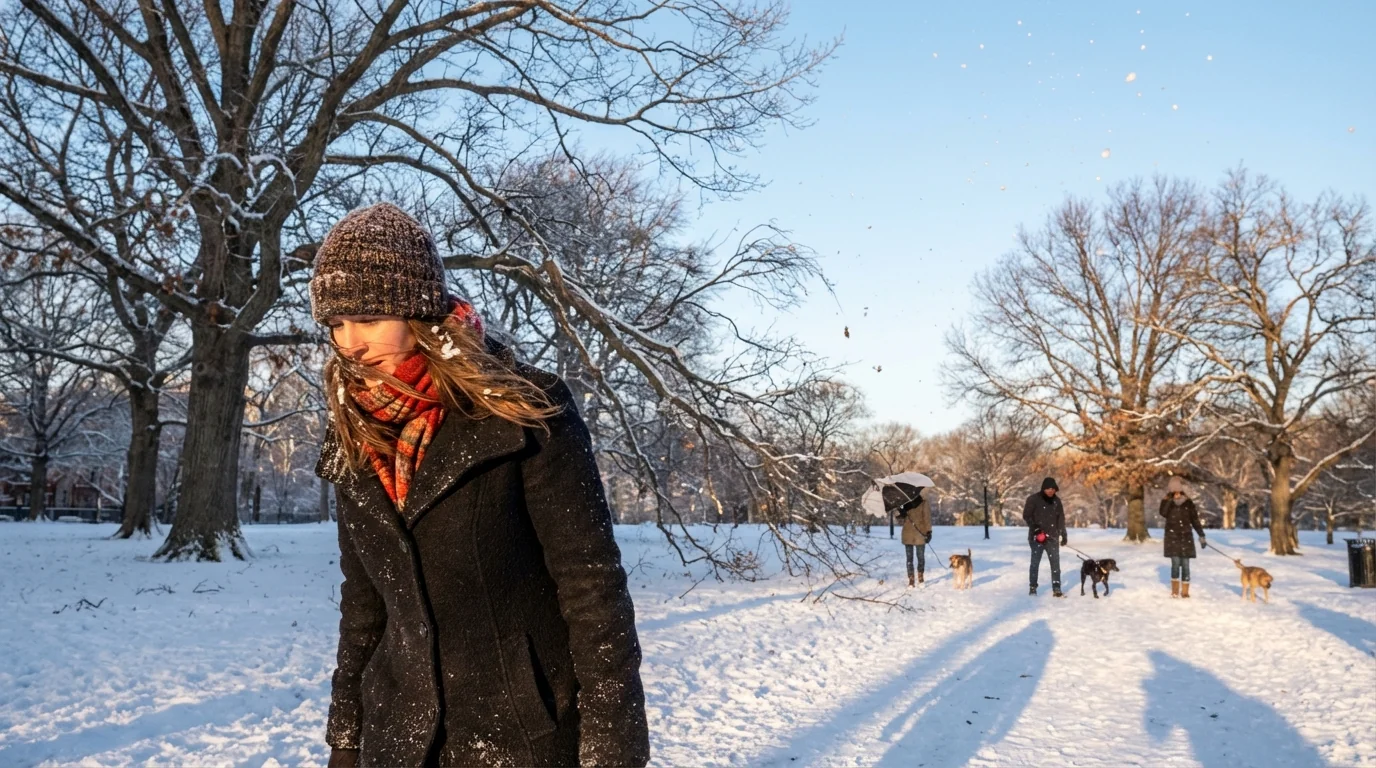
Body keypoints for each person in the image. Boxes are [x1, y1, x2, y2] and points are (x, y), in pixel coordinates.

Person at [311, 203, 649, 768]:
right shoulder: (352, 430)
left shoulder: (526, 411)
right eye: (336, 324)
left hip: (522, 734)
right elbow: (365, 603)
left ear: (416, 311)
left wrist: (613, 747)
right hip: (396, 738)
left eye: (368, 319)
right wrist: (346, 738)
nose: (351, 344)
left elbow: (593, 589)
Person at [1160, 476, 1206, 598]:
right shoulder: (1166, 502)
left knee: (1185, 565)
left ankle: (1185, 592)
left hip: (1186, 538)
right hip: (1172, 537)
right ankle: (1175, 591)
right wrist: (1170, 500)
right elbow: (1163, 513)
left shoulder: (1188, 503)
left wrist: (1201, 535)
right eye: (1174, 489)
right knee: (1175, 564)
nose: (1177, 492)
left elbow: (1195, 520)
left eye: (1178, 489)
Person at [1023, 477, 1067, 597]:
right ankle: (1033, 587)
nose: (1050, 491)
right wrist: (1036, 529)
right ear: (1043, 488)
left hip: (1052, 537)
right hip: (1036, 537)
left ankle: (1056, 587)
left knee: (1055, 564)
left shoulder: (1057, 501)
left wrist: (1063, 534)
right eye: (1048, 488)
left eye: (1053, 489)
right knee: (1035, 563)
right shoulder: (1033, 499)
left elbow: (1061, 518)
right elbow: (1026, 515)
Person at [898, 489, 932, 586]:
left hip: (911, 533)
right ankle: (919, 578)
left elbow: (900, 520)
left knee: (910, 558)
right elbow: (927, 518)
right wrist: (929, 531)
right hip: (919, 532)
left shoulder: (904, 503)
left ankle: (911, 579)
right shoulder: (922, 502)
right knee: (920, 557)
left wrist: (900, 512)